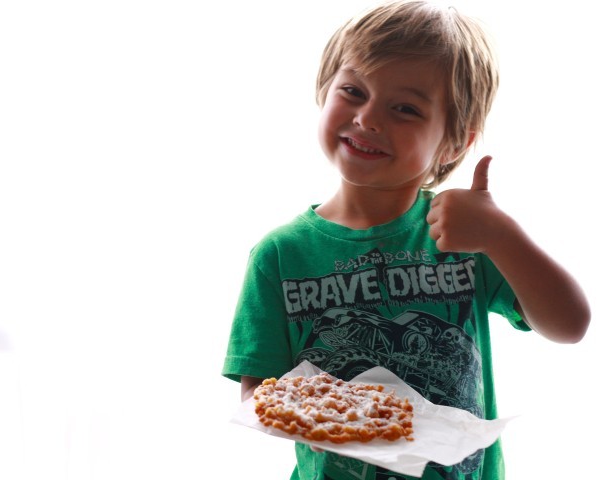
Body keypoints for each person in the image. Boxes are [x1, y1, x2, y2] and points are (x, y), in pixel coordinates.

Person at [222, 1, 590, 478]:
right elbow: (259, 393)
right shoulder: (280, 255)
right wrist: (347, 411)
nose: (368, 118)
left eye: (405, 109)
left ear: (454, 143)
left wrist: (502, 235)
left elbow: (570, 324)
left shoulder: (464, 234)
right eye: (353, 91)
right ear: (323, 90)